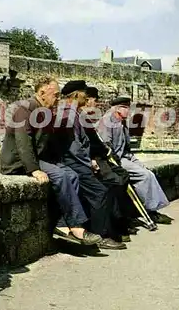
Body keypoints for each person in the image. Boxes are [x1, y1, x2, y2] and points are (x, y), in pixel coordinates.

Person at [0, 75, 102, 247]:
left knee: (72, 175)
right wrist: (34, 169)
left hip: (39, 159)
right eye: (55, 94)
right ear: (41, 92)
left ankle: (62, 225)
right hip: (19, 163)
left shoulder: (45, 111)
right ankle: (76, 226)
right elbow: (23, 142)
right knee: (61, 176)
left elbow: (49, 142)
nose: (58, 99)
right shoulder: (25, 110)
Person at [49, 80, 127, 250]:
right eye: (84, 93)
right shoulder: (68, 114)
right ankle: (102, 235)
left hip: (77, 161)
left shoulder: (73, 113)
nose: (87, 96)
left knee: (106, 185)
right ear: (77, 95)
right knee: (100, 192)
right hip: (74, 163)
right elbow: (73, 147)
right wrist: (88, 163)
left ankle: (107, 229)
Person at [96, 96, 172, 225]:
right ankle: (152, 212)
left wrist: (136, 161)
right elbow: (106, 147)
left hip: (125, 156)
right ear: (117, 109)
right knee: (145, 175)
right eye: (125, 108)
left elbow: (126, 147)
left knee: (148, 171)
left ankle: (153, 208)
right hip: (115, 160)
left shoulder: (121, 122)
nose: (128, 111)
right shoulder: (106, 122)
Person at [82, 87, 138, 239]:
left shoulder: (85, 117)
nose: (96, 102)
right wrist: (91, 159)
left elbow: (96, 142)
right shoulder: (78, 117)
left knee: (123, 175)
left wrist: (104, 153)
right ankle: (113, 227)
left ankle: (122, 219)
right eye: (94, 99)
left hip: (99, 157)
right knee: (113, 181)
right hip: (87, 160)